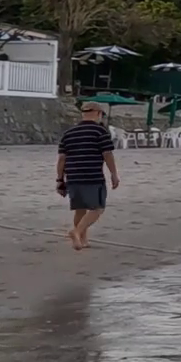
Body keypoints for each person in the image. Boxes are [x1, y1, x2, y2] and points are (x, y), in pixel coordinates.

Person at [56, 101, 119, 251]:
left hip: (73, 176)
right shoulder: (100, 131)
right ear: (98, 114)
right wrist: (114, 174)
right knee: (98, 208)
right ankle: (76, 232)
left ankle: (82, 240)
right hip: (92, 175)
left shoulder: (68, 133)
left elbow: (62, 159)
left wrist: (59, 179)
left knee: (80, 208)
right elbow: (107, 154)